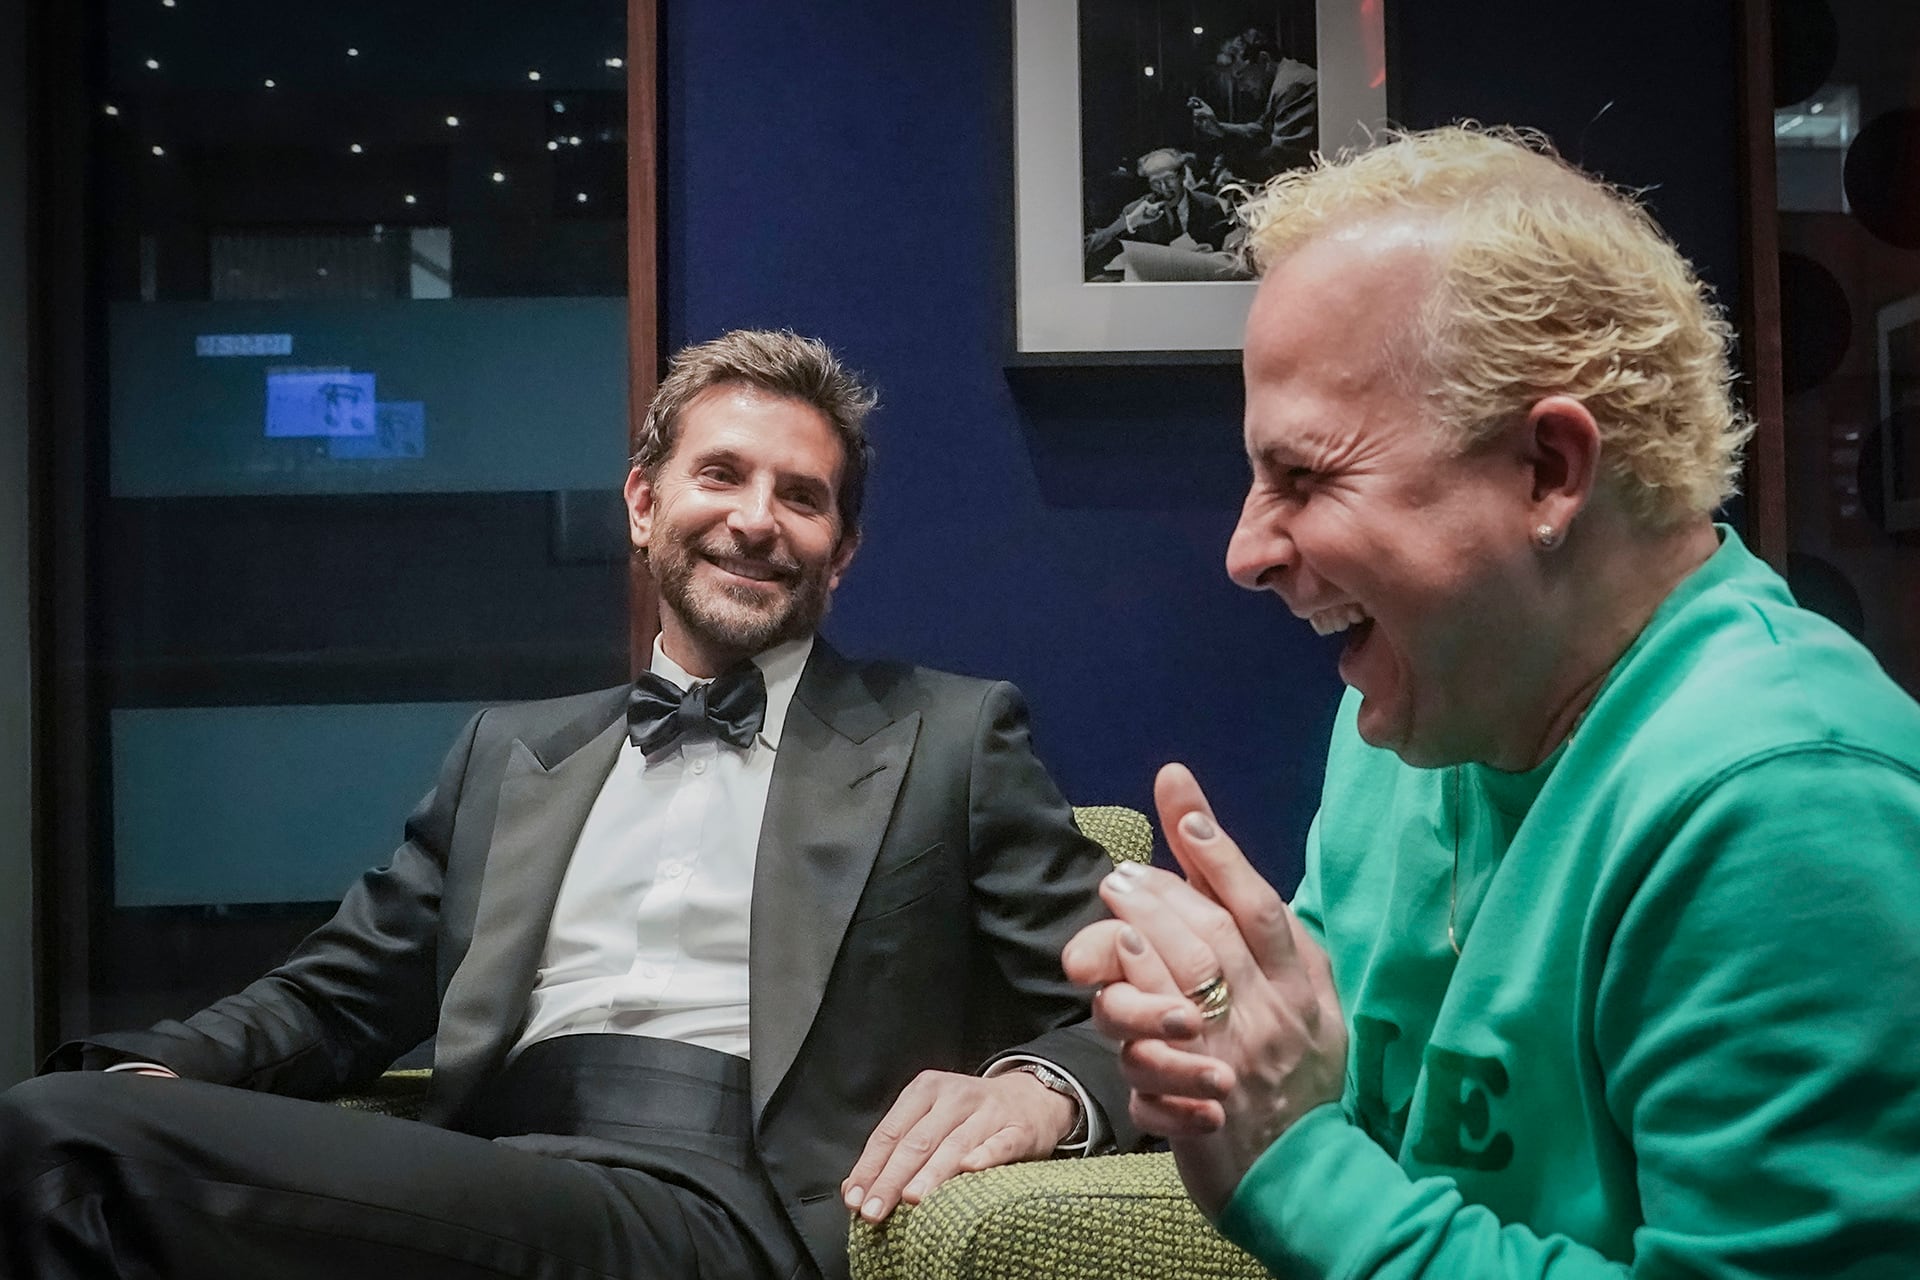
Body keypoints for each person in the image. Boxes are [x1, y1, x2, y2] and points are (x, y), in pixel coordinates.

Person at [1, 329, 1135, 1280]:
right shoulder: (512, 750)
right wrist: (160, 1071)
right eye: (721, 474)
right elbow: (334, 998)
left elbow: (1160, 1004)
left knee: (61, 1141)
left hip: (743, 1202)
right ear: (644, 503)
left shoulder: (950, 734)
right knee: (75, 1114)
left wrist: (1047, 1088)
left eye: (802, 497)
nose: (756, 518)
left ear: (841, 553)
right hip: (502, 1169)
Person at [1065, 126, 1920, 1275]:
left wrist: (1293, 1162)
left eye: (1307, 475)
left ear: (1548, 470)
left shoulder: (1787, 799)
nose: (1245, 550)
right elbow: (1325, 1079)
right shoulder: (1418, 707)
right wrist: (1222, 1042)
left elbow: (1322, 1160)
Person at [1084, 147, 1235, 270]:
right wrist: (1130, 223)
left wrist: (1214, 253)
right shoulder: (1134, 210)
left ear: (1182, 175)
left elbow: (1227, 253)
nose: (1164, 188)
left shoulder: (1209, 205)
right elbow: (1096, 251)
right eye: (1156, 182)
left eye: (1169, 179)